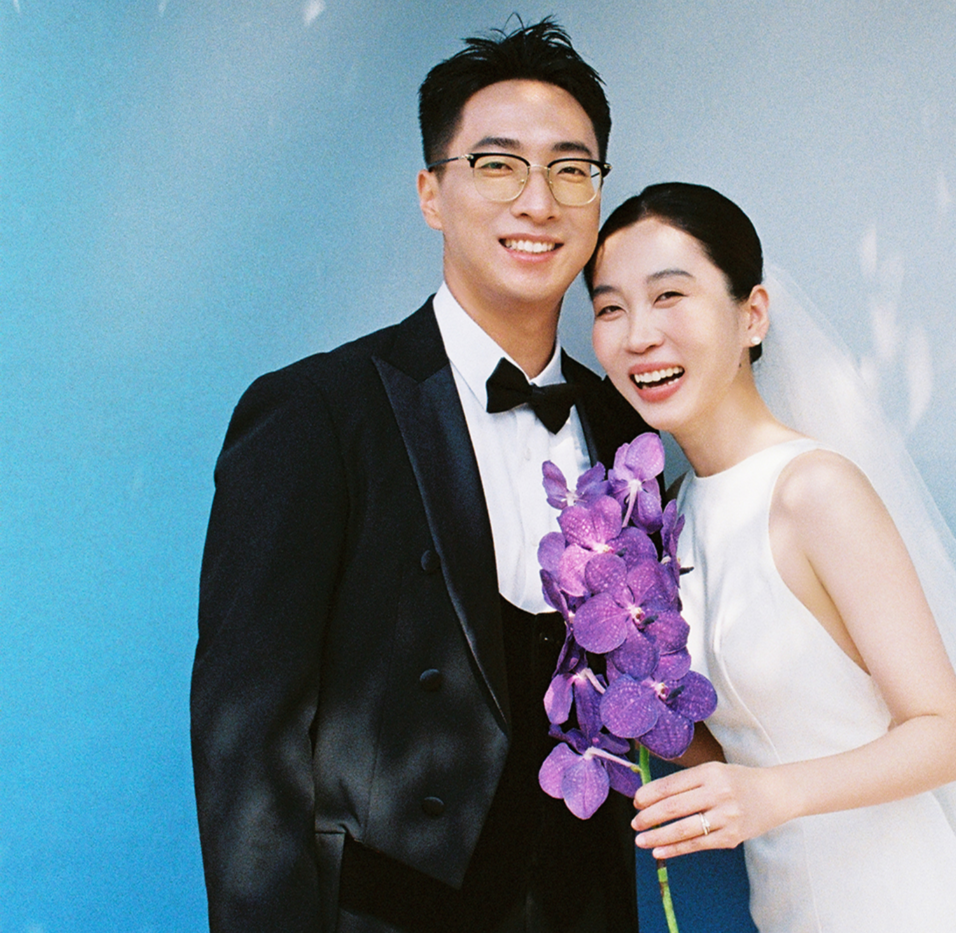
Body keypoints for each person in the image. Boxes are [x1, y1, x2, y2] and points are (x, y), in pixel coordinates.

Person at [586, 183, 956, 932]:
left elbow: (946, 734)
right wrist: (616, 689)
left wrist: (771, 793)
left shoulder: (813, 490)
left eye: (670, 295)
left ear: (752, 314)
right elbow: (737, 752)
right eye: (610, 308)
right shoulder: (671, 516)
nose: (639, 335)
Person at [191, 20, 646, 933]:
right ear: (432, 193)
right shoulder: (318, 412)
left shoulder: (623, 426)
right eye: (497, 165)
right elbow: (247, 738)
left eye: (571, 169)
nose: (538, 201)